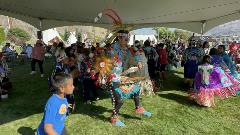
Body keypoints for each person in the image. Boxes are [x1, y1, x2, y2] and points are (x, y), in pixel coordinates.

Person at [108, 30, 151, 126]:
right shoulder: (112, 49)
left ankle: (138, 108)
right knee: (120, 99)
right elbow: (106, 62)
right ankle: (114, 117)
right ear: (119, 38)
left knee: (136, 89)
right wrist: (112, 62)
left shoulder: (128, 48)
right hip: (113, 77)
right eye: (125, 39)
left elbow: (136, 54)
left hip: (124, 76)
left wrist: (139, 61)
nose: (127, 41)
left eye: (128, 39)